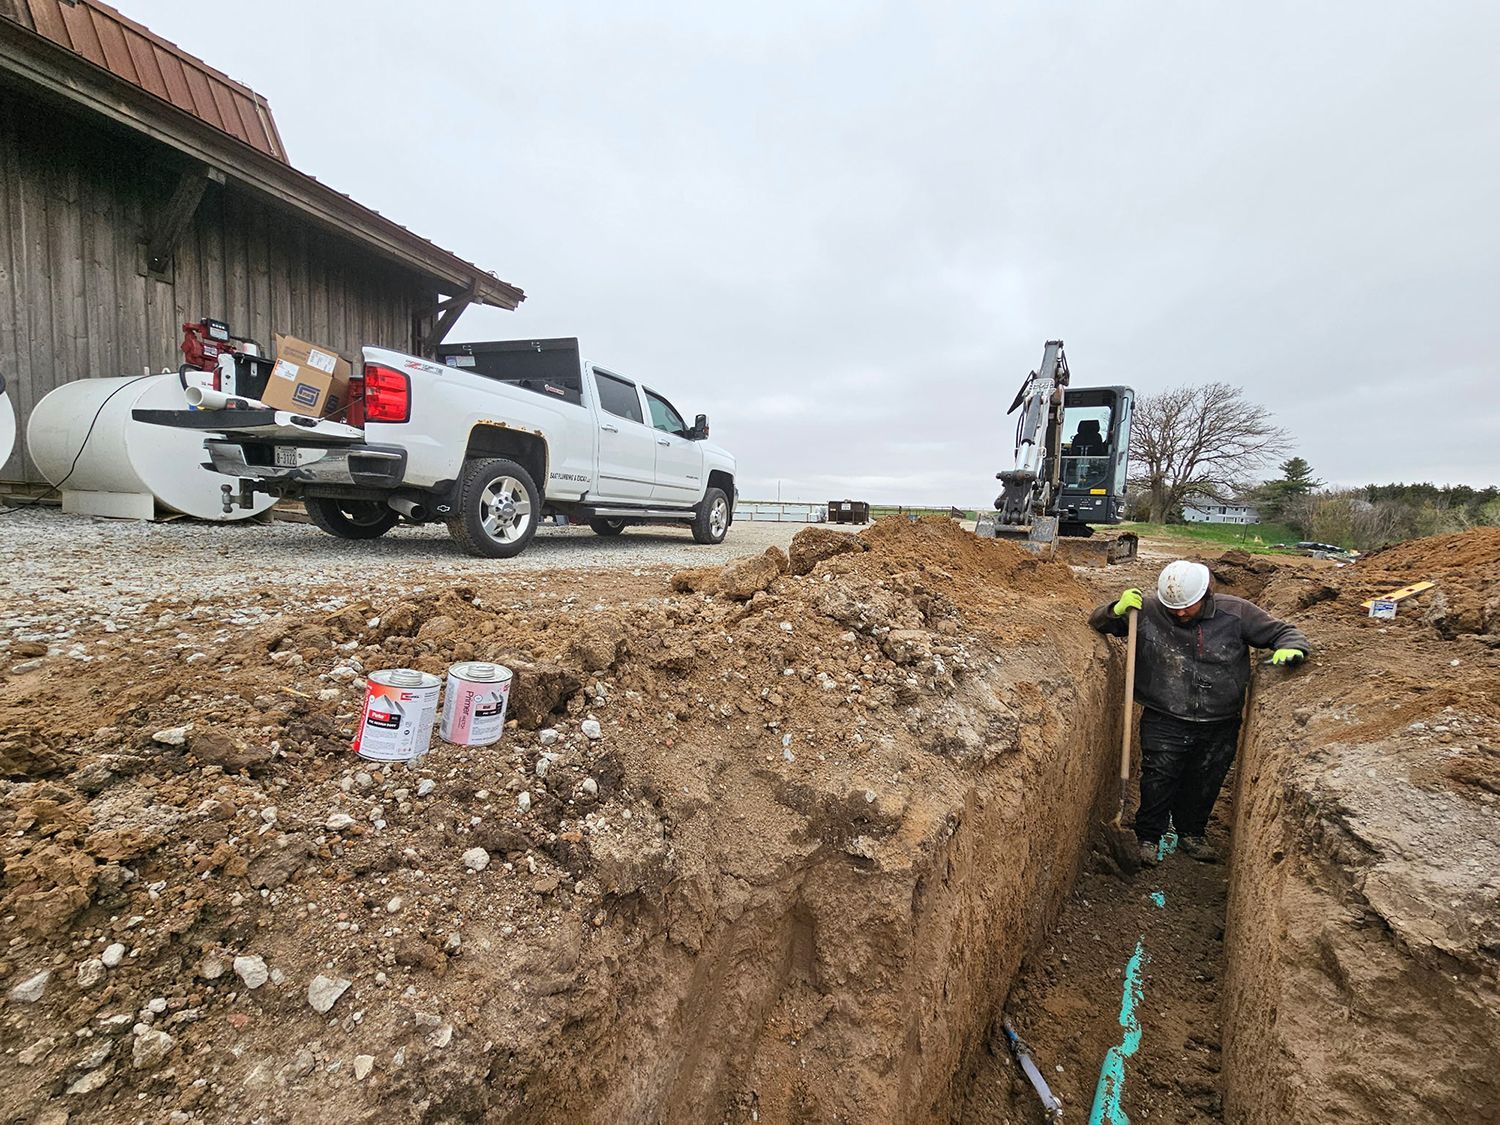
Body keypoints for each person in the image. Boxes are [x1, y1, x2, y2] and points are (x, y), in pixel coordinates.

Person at [1090, 560, 1310, 867]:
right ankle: (1148, 836)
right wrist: (1115, 609)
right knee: (1158, 777)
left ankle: (1191, 832)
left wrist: (1292, 647)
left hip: (1219, 719)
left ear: (1205, 594)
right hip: (1164, 714)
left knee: (1205, 779)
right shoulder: (1149, 610)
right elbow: (1099, 622)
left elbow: (1284, 632)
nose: (1180, 613)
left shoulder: (1237, 613)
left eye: (1187, 607)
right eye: (1174, 608)